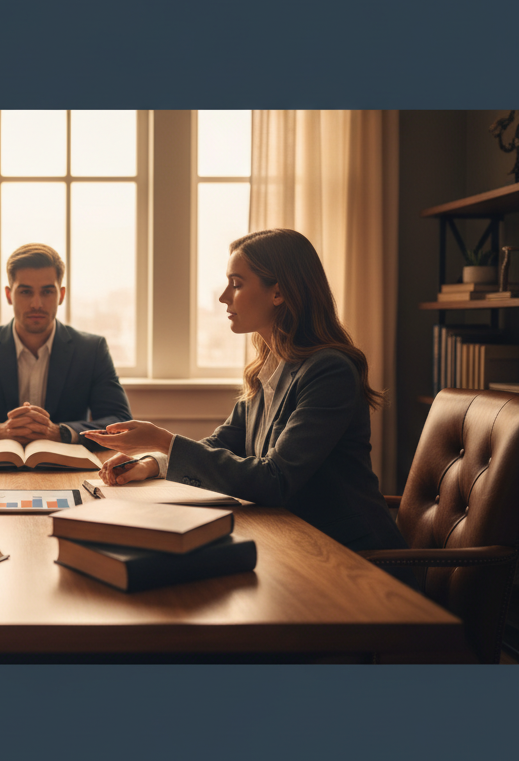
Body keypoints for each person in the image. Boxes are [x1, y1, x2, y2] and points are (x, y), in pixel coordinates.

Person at [85, 228, 406, 553]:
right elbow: (224, 444)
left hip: (352, 556)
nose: (224, 296)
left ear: (277, 293)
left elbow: (276, 480)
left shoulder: (329, 371)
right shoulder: (266, 369)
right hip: (290, 541)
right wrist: (151, 462)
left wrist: (162, 440)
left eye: (236, 284)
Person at [0, 243, 133, 451]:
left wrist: (59, 432)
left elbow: (121, 423)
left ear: (61, 295)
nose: (37, 304)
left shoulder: (91, 350)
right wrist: (1, 431)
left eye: (47, 292)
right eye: (26, 292)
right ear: (9, 295)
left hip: (69, 472)